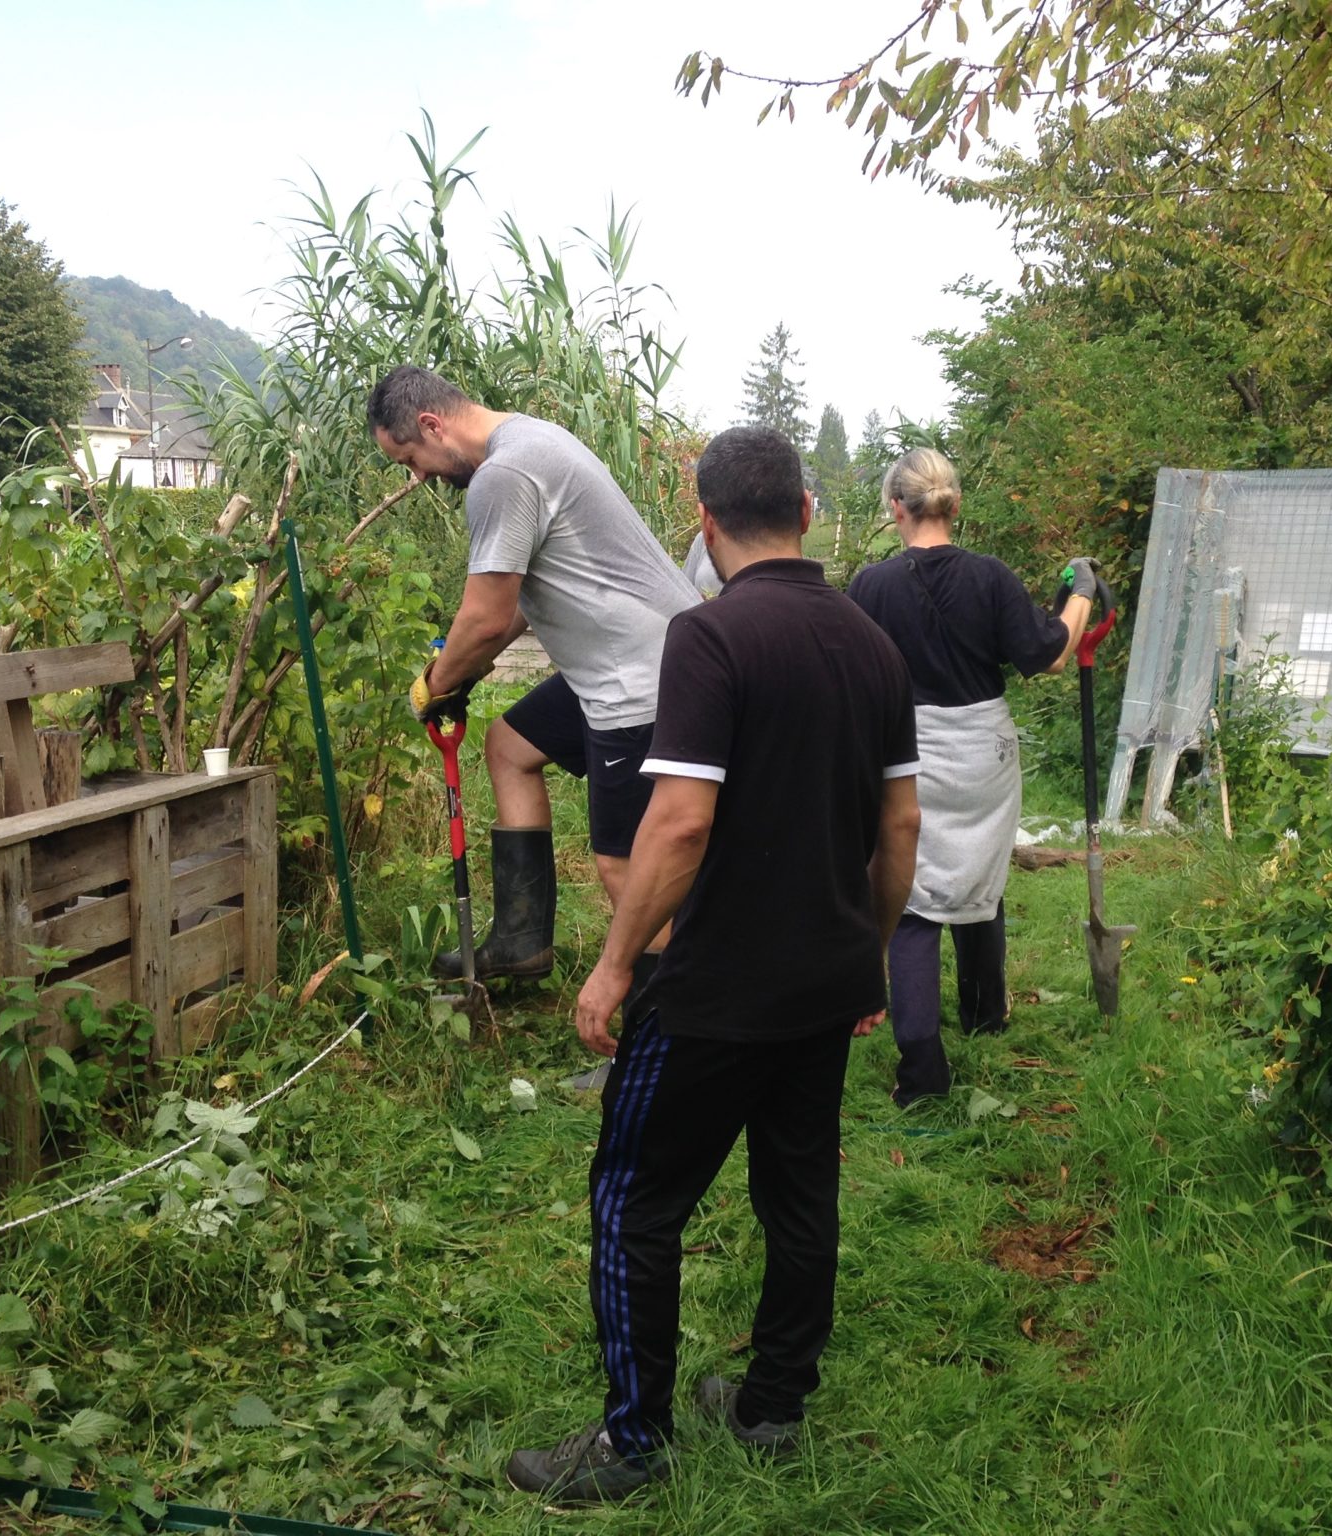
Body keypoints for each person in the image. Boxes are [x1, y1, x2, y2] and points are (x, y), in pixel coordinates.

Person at [505, 428, 922, 1503]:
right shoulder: (872, 644)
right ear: (808, 511)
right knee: (797, 1191)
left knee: (634, 1202)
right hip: (824, 987)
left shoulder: (709, 638)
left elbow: (679, 826)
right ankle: (771, 1406)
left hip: (714, 995)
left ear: (702, 516)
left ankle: (632, 1445)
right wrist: (867, 957)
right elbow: (900, 827)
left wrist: (608, 970)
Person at [369, 366, 700, 994]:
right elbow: (520, 594)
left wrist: (433, 684)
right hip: (652, 659)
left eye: (409, 457)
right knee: (511, 744)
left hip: (641, 684)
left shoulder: (502, 476)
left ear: (432, 426)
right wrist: (467, 671)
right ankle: (522, 939)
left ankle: (660, 1047)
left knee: (629, 867)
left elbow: (487, 616)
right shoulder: (534, 440)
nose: (417, 477)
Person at [846, 448, 1096, 1106]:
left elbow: (852, 675)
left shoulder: (871, 586)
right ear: (955, 506)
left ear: (894, 508)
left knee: (916, 901)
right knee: (981, 875)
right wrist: (1081, 596)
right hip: (983, 752)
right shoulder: (990, 578)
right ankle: (986, 1013)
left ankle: (923, 1071)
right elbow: (1048, 656)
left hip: (908, 752)